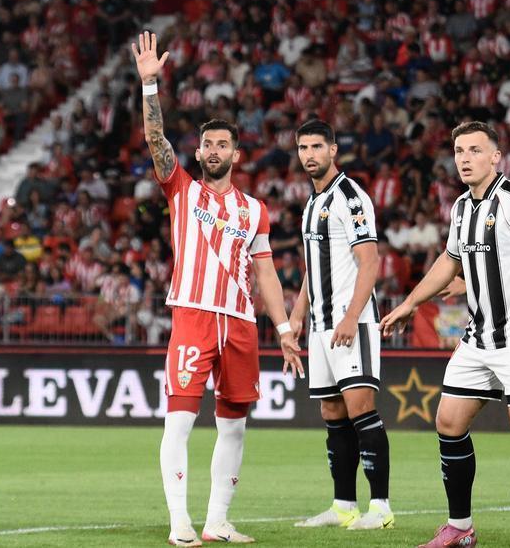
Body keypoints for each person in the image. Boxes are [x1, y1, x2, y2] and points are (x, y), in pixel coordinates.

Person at [131, 31, 303, 546]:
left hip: (241, 322)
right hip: (193, 314)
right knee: (179, 422)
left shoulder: (254, 210)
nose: (212, 150)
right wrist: (149, 88)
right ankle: (179, 521)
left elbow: (266, 272)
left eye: (221, 144)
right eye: (206, 143)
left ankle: (217, 520)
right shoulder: (181, 189)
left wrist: (286, 326)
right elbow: (156, 142)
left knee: (234, 426)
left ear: (235, 152)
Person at [381, 122, 510, 548]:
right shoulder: (462, 208)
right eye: (458, 151)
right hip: (477, 337)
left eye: (474, 150)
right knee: (448, 421)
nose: (464, 158)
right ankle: (461, 528)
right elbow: (448, 263)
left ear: (495, 157)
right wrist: (410, 303)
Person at [288, 120, 391, 531]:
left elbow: (370, 260)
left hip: (354, 323)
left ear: (333, 150)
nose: (309, 154)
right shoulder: (312, 203)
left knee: (361, 410)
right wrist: (298, 313)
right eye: (302, 147)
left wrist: (350, 316)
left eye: (317, 146)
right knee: (332, 412)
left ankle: (381, 508)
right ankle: (344, 505)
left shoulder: (351, 196)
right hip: (319, 326)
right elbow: (315, 268)